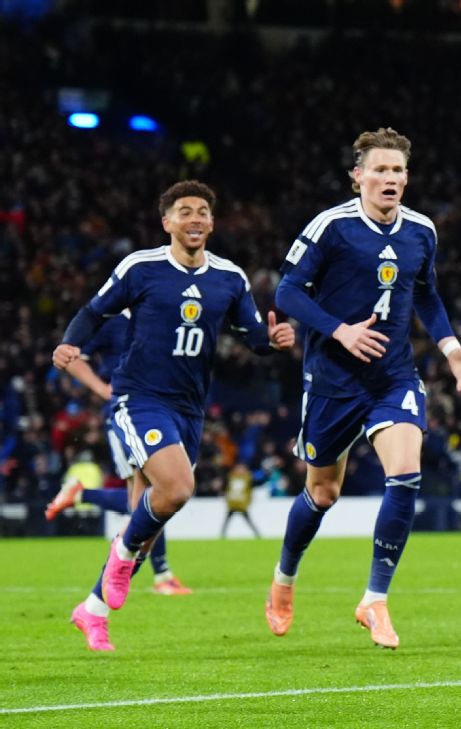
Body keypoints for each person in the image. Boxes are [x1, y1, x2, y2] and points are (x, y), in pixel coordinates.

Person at [266, 128, 461, 649]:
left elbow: (427, 295)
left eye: (398, 170)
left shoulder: (421, 231)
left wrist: (450, 347)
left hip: (393, 376)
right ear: (358, 176)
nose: (390, 178)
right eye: (381, 169)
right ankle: (284, 577)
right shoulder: (332, 227)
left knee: (406, 474)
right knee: (323, 492)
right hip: (333, 379)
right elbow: (287, 292)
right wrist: (339, 330)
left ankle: (374, 598)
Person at [53, 180, 295, 651]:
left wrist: (273, 341)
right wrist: (69, 342)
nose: (195, 218)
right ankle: (121, 555)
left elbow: (253, 337)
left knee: (149, 518)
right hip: (140, 397)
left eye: (203, 211)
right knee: (178, 488)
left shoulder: (229, 278)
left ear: (212, 222)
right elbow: (94, 311)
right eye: (185, 211)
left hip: (189, 408)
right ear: (166, 222)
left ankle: (93, 611)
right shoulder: (141, 268)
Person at [46, 312, 193, 595]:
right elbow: (72, 357)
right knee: (153, 495)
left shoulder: (160, 313)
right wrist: (102, 389)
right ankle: (161, 575)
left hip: (159, 415)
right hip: (127, 417)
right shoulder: (113, 320)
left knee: (146, 498)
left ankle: (81, 495)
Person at [221, 462, 260, 538]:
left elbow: (250, 491)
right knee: (227, 520)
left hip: (242, 504)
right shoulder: (230, 477)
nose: (239, 470)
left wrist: (248, 501)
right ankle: (222, 535)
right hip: (233, 503)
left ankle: (257, 534)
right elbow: (226, 490)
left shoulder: (248, 479)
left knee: (248, 520)